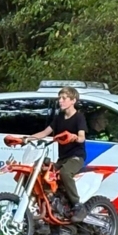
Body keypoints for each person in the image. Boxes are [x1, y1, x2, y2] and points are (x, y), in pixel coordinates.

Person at [29, 87, 88, 223]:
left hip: (76, 156)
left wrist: (74, 137)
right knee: (44, 176)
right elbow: (44, 133)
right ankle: (53, 219)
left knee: (65, 173)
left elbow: (82, 137)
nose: (60, 101)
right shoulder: (59, 118)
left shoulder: (79, 117)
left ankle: (78, 205)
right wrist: (26, 139)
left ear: (73, 101)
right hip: (62, 158)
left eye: (64, 98)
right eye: (59, 98)